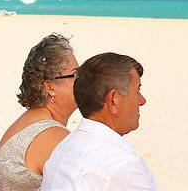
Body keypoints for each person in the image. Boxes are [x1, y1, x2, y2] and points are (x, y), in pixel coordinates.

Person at [40, 53, 156, 191]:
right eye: (137, 91)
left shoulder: (62, 149)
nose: (142, 101)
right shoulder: (123, 166)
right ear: (113, 100)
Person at [0, 35, 80, 191]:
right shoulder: (52, 136)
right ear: (50, 87)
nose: (82, 81)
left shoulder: (26, 124)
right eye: (75, 75)